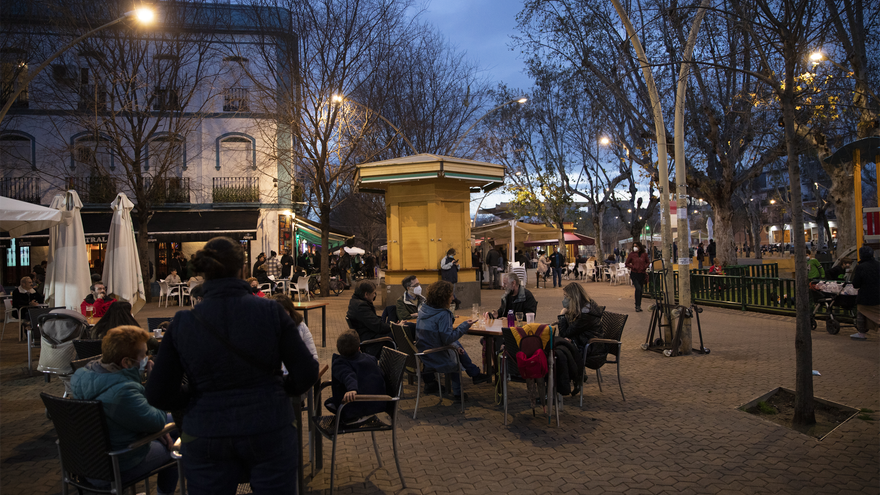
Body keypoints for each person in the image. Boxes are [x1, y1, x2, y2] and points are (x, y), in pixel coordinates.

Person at [145, 236, 318, 493]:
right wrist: (278, 387)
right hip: (268, 425)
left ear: (204, 272)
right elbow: (307, 372)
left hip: (206, 431)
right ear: (243, 269)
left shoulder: (183, 323)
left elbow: (158, 392)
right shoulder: (271, 312)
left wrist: (195, 396)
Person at [70, 325, 179, 495]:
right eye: (143, 355)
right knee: (177, 445)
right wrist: (154, 386)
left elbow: (130, 415)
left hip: (87, 459)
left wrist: (156, 428)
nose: (147, 359)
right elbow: (156, 420)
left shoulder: (82, 375)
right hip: (117, 461)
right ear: (126, 362)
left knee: (178, 420)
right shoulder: (122, 392)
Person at [416, 281, 490, 401]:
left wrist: (455, 346)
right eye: (451, 295)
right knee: (455, 357)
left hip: (424, 352)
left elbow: (440, 337)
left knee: (457, 346)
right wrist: (464, 326)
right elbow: (447, 338)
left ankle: (474, 373)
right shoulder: (443, 314)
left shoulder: (424, 309)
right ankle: (458, 394)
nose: (453, 297)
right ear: (444, 297)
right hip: (437, 353)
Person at [325, 330, 387, 423]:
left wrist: (352, 389)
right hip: (378, 401)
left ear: (337, 346)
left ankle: (354, 418)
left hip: (358, 403)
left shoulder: (340, 363)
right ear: (359, 348)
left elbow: (348, 376)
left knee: (328, 403)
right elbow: (381, 374)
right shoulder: (370, 358)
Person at [346, 280, 392, 357]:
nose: (375, 296)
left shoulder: (355, 301)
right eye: (374, 293)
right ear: (366, 294)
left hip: (367, 334)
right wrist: (392, 326)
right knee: (398, 334)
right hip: (370, 341)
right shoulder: (361, 306)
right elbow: (378, 327)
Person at [271, 293, 318, 360]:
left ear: (290, 311)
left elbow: (312, 353)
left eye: (285, 311)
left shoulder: (300, 326)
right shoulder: (265, 328)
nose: (281, 315)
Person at [850, 246, 880, 340]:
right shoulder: (879, 265)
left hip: (866, 296)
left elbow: (856, 284)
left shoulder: (861, 267)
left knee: (861, 312)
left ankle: (861, 333)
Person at [625, 241, 650, 312]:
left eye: (636, 246)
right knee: (638, 288)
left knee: (641, 290)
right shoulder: (631, 254)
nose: (635, 247)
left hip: (642, 273)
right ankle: (637, 305)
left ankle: (639, 305)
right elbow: (626, 263)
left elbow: (648, 262)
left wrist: (645, 267)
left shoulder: (644, 254)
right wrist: (633, 266)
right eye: (634, 246)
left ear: (639, 247)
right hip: (634, 274)